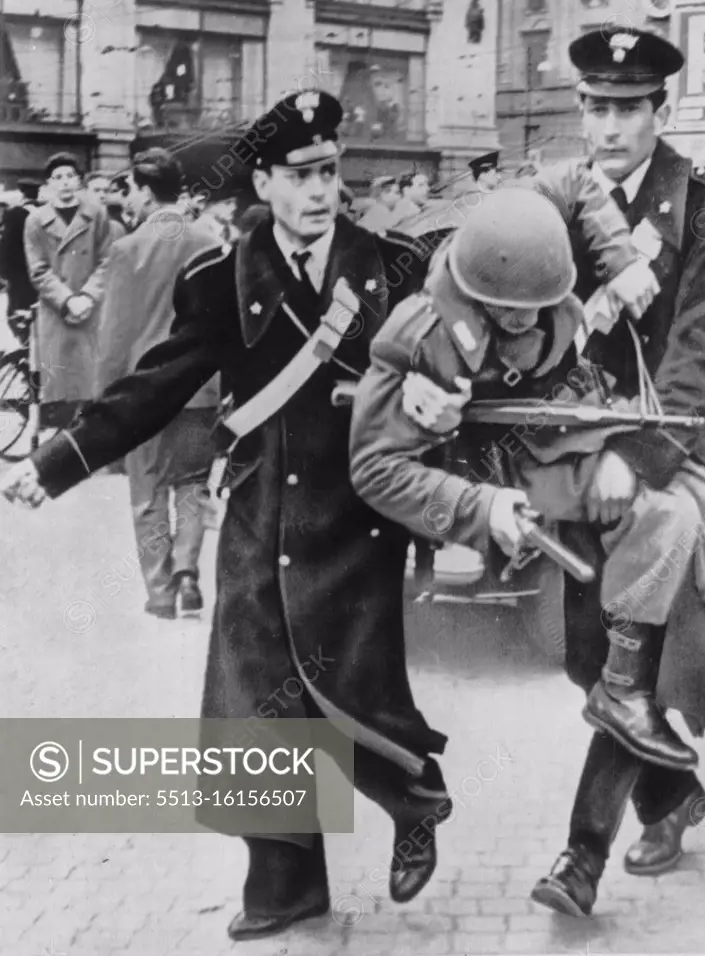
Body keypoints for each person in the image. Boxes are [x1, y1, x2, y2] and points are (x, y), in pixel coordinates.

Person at [0, 90, 450, 943]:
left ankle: (416, 800)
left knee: (352, 687)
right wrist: (55, 465)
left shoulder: (387, 265)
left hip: (356, 518)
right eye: (302, 176)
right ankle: (285, 887)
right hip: (257, 516)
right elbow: (154, 385)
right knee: (254, 706)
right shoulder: (219, 279)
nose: (322, 191)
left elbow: (435, 363)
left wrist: (433, 400)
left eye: (331, 172)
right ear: (267, 183)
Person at [393, 26, 705, 916]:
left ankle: (580, 856)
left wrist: (632, 459)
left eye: (627, 110)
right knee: (589, 658)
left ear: (662, 111)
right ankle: (671, 795)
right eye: (595, 109)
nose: (609, 128)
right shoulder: (552, 209)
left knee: (635, 668)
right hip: (579, 463)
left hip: (688, 464)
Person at [350, 183, 705, 769]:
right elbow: (374, 468)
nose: (529, 317)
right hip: (503, 473)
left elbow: (578, 186)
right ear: (475, 289)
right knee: (669, 511)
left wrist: (618, 263)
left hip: (565, 433)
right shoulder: (424, 336)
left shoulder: (543, 274)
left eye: (541, 302)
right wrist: (479, 507)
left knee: (698, 488)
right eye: (511, 307)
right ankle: (621, 687)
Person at [93, 149, 220, 619]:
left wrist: (105, 402)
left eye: (130, 191)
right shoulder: (210, 240)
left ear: (146, 192)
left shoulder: (128, 250)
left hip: (145, 391)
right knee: (192, 483)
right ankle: (188, 571)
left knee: (147, 492)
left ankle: (161, 591)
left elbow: (114, 335)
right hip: (202, 388)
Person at [23, 152, 117, 429]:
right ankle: (61, 451)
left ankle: (89, 450)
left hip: (92, 311)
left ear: (78, 181)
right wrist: (67, 300)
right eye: (58, 177)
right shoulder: (36, 220)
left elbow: (107, 259)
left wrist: (88, 296)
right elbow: (38, 269)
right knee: (60, 389)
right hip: (56, 314)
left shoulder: (97, 215)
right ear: (50, 183)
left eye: (70, 176)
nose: (64, 182)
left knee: (92, 387)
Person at [0, 177, 41, 345]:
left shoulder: (14, 214)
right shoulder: (46, 212)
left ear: (22, 193)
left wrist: (2, 273)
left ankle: (25, 346)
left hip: (19, 275)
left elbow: (7, 245)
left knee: (16, 314)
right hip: (42, 272)